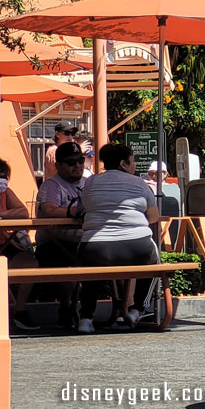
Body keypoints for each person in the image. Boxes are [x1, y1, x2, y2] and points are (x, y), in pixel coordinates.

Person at [76, 144, 159, 334]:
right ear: (123, 163)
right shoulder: (140, 184)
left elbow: (83, 208)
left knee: (92, 270)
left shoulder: (91, 182)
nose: (135, 165)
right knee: (154, 263)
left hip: (95, 247)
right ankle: (138, 308)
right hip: (136, 246)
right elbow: (153, 217)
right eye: (133, 161)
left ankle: (86, 318)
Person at [36, 141, 89, 328]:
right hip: (54, 242)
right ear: (58, 166)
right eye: (71, 162)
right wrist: (74, 212)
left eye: (80, 160)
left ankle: (122, 308)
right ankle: (67, 307)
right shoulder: (52, 185)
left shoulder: (89, 183)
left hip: (83, 241)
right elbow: (49, 209)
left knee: (113, 258)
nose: (77, 165)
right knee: (68, 264)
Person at [0, 157, 40, 330]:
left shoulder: (5, 192)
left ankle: (19, 310)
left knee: (30, 264)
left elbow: (23, 212)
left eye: (5, 176)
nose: (2, 180)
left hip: (3, 244)